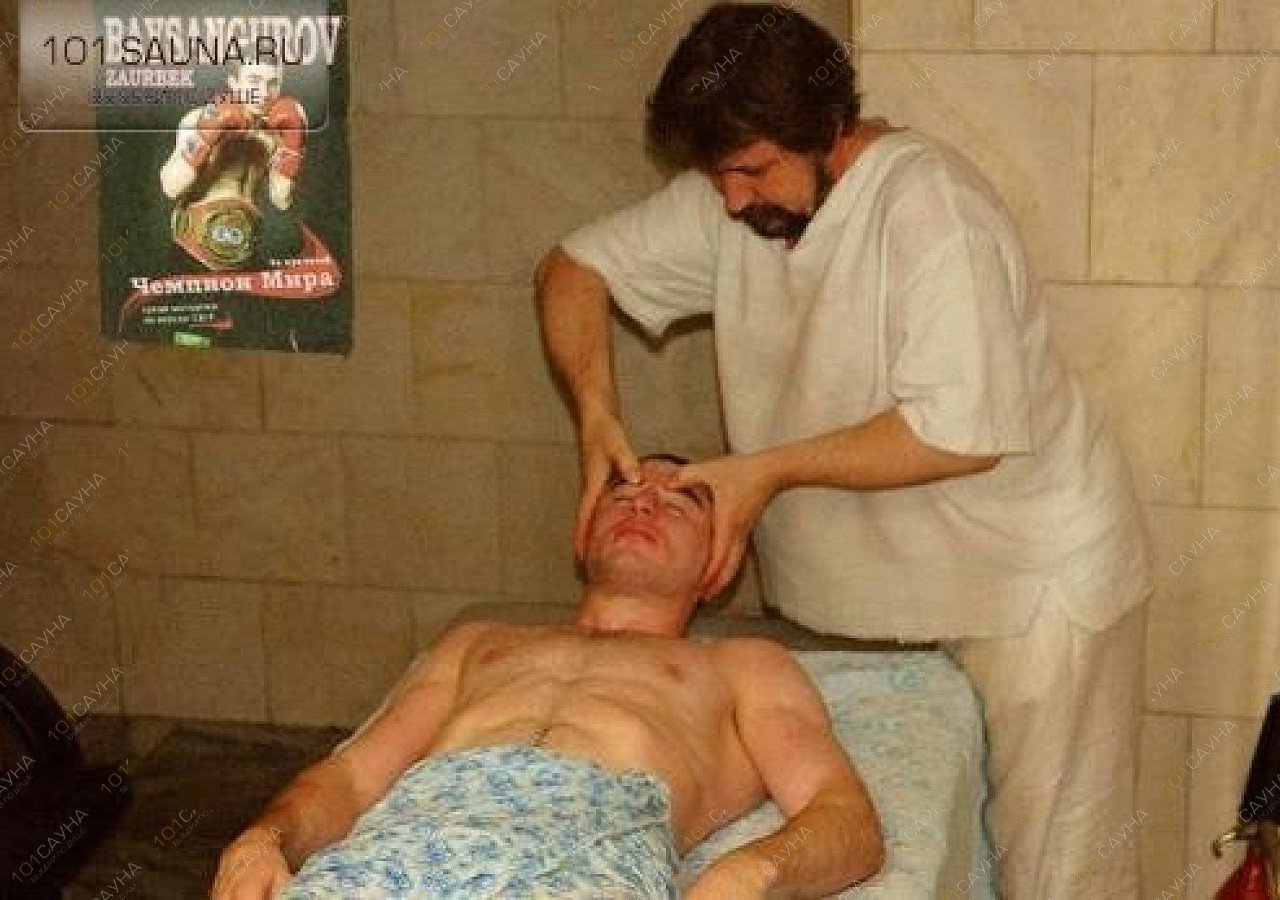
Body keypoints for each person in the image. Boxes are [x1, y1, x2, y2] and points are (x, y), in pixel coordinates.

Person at [534, 4, 1151, 898]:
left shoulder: (928, 208)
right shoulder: (738, 198)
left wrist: (766, 469)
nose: (733, 200)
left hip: (1029, 587)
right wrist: (596, 416)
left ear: (828, 129)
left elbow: (958, 430)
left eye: (753, 171)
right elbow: (572, 271)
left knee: (1058, 876)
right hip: (894, 602)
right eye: (718, 175)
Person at [211, 455, 885, 900]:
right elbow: (355, 777)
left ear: (721, 564)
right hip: (400, 848)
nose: (644, 504)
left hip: (582, 861)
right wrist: (262, 838)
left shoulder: (743, 665)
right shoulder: (480, 641)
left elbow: (845, 819)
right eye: (624, 492)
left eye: (679, 504)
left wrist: (748, 873)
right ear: (581, 535)